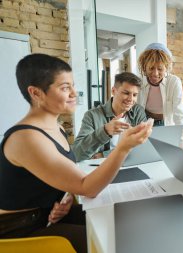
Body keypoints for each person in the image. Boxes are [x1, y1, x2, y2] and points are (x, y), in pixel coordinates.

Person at [0, 54, 152, 253]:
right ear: (36, 93)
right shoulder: (26, 138)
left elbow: (66, 175)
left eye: (73, 85)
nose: (74, 93)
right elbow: (86, 187)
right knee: (111, 241)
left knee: (118, 222)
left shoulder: (58, 129)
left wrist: (66, 196)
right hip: (21, 229)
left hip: (48, 214)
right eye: (65, 88)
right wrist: (123, 147)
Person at [72, 72, 147, 161]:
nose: (131, 99)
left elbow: (144, 147)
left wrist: (105, 154)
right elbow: (77, 154)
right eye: (126, 93)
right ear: (113, 91)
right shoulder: (92, 115)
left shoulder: (138, 111)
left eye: (134, 95)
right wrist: (105, 131)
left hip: (130, 163)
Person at [137, 42, 183, 151]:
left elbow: (180, 115)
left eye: (160, 69)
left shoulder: (174, 82)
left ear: (166, 68)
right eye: (151, 68)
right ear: (144, 67)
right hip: (144, 123)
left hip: (164, 123)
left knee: (164, 155)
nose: (155, 74)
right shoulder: (138, 82)